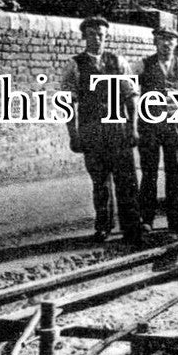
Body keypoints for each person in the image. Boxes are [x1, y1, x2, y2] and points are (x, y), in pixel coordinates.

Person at [61, 17, 142, 245]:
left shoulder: (118, 62)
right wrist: (73, 134)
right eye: (92, 34)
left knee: (126, 180)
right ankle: (103, 225)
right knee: (100, 182)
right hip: (92, 130)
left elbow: (131, 97)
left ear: (106, 37)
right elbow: (68, 103)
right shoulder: (75, 65)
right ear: (84, 37)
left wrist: (133, 128)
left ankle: (131, 227)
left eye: (101, 34)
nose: (97, 38)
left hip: (118, 130)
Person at [132, 27, 178, 238]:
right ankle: (146, 219)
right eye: (162, 40)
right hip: (149, 125)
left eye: (170, 41)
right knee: (149, 172)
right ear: (155, 43)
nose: (166, 44)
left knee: (174, 172)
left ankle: (175, 218)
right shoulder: (142, 66)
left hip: (174, 126)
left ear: (176, 44)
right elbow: (129, 91)